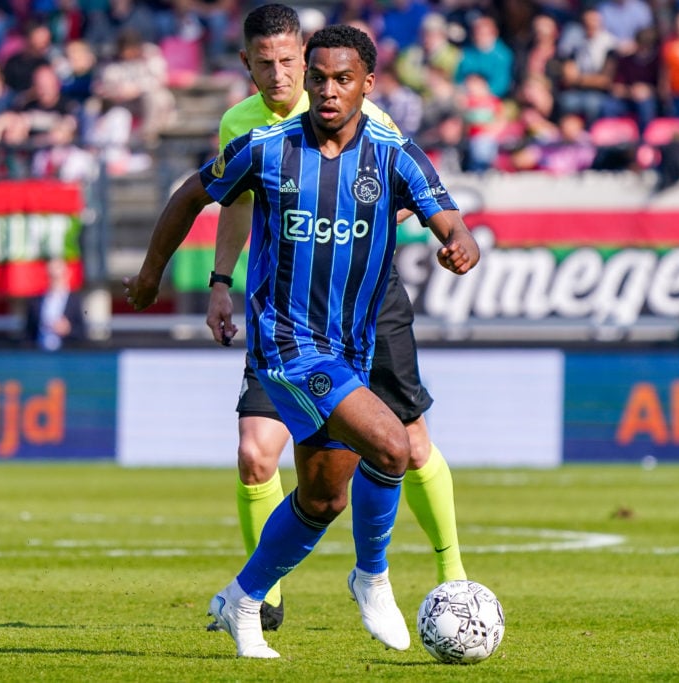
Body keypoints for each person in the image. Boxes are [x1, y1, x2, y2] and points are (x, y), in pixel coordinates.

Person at [123, 23, 479, 659]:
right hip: (288, 344)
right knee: (393, 447)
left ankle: (242, 598)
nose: (327, 90)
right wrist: (154, 276)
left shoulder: (394, 154)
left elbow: (444, 211)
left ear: (368, 85)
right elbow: (190, 196)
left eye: (343, 79)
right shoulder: (266, 147)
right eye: (318, 78)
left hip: (353, 348)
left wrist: (462, 240)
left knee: (321, 497)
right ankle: (372, 578)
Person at [25, 257, 86, 351]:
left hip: (66, 355)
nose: (54, 280)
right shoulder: (36, 302)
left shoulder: (75, 301)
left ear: (66, 275)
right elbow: (28, 332)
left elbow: (82, 331)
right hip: (40, 354)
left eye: (58, 276)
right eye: (51, 276)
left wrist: (68, 330)